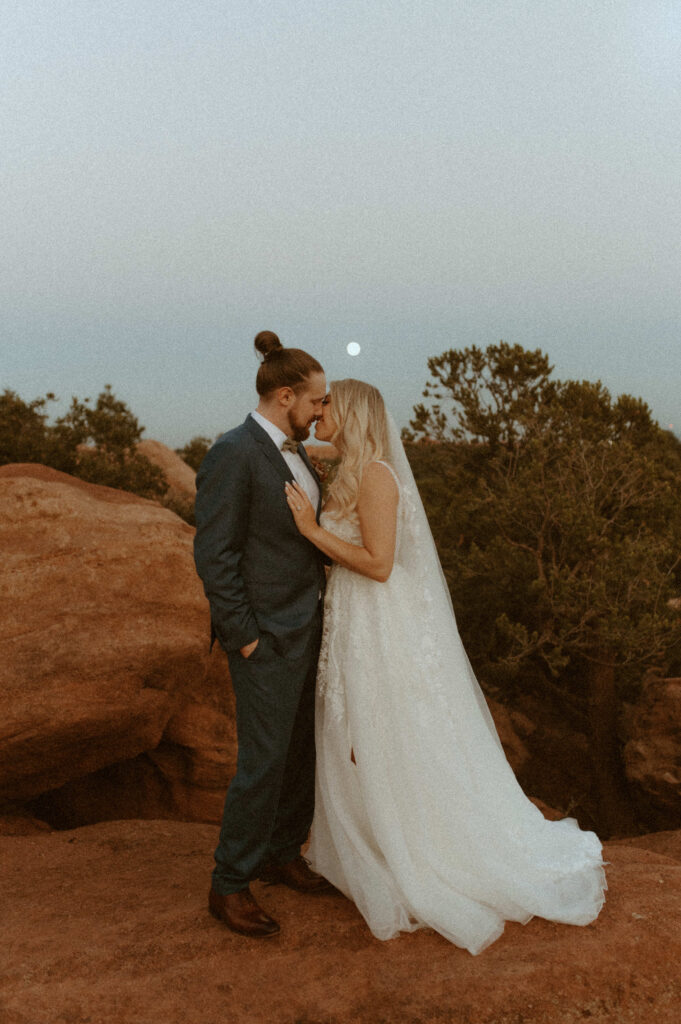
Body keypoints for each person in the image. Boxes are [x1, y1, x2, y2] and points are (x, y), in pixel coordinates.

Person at [284, 378, 607, 955]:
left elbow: (380, 565)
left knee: (384, 731)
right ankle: (377, 843)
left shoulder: (378, 475)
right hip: (351, 618)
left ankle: (422, 852)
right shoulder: (347, 471)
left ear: (354, 413)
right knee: (351, 731)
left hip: (379, 621)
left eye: (329, 403)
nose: (319, 411)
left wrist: (310, 530)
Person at [194, 331, 332, 939]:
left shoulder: (297, 452)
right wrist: (244, 635)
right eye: (317, 401)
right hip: (265, 637)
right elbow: (215, 553)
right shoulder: (234, 452)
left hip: (310, 628)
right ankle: (229, 883)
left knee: (301, 749)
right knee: (263, 760)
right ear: (284, 397)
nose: (322, 411)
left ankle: (282, 854)